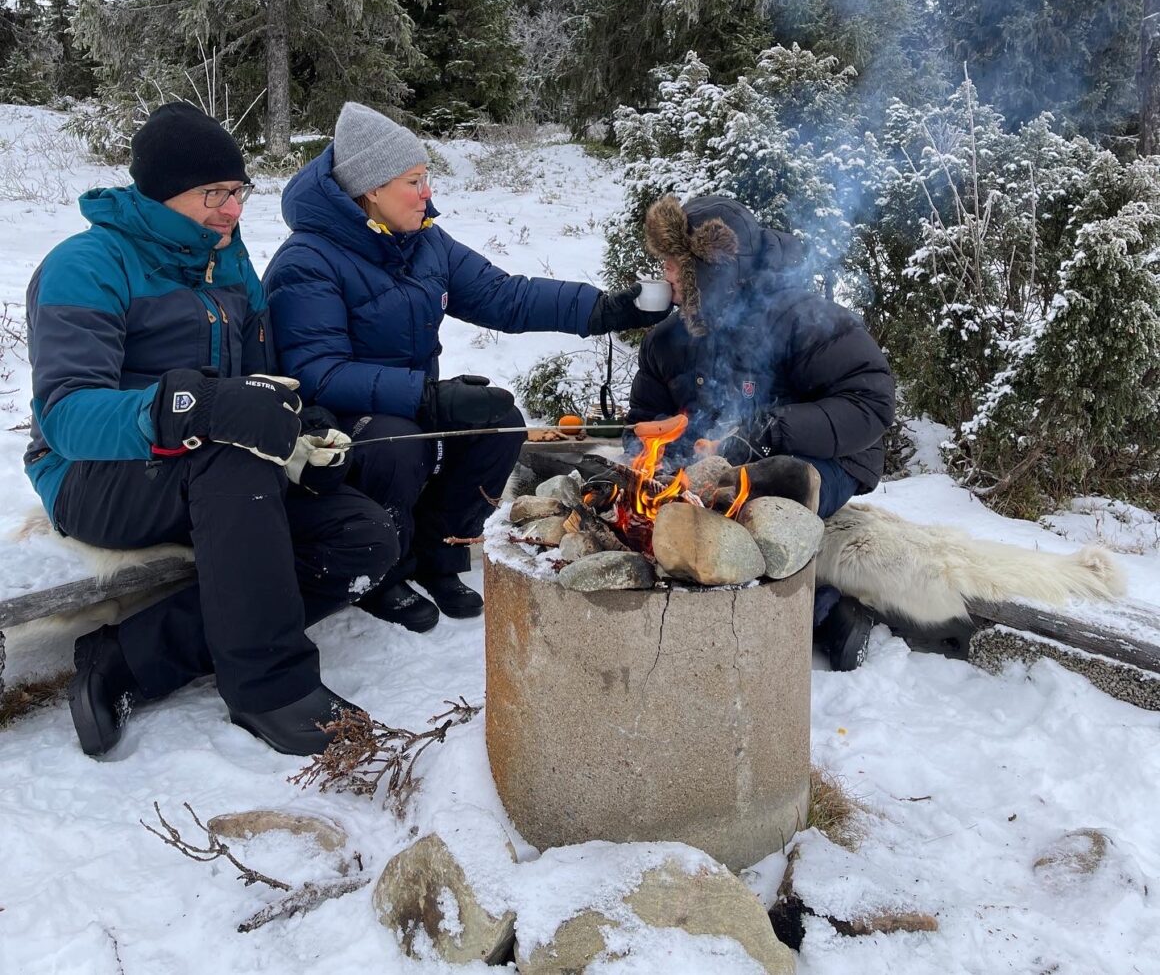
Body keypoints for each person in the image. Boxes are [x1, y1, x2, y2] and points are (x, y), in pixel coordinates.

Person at [24, 102, 399, 758]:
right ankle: (268, 687)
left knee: (361, 540)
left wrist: (304, 428)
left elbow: (262, 380)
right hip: (95, 479)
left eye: (238, 191)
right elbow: (67, 414)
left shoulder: (229, 264)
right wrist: (194, 408)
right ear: (163, 196)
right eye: (213, 195)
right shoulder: (87, 264)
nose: (232, 210)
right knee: (227, 456)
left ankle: (126, 659)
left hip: (216, 475)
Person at [262, 101, 666, 632]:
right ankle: (382, 572)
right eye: (413, 181)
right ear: (370, 189)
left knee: (498, 424)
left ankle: (438, 554)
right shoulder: (308, 260)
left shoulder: (424, 241)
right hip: (334, 423)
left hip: (408, 400)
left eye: (425, 177)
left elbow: (505, 297)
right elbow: (317, 371)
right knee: (397, 445)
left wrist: (606, 309)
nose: (427, 192)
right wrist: (427, 396)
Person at [625, 193, 896, 671]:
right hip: (722, 462)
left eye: (673, 263)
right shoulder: (667, 340)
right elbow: (648, 419)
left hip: (823, 461)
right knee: (650, 503)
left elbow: (869, 401)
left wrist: (768, 431)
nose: (663, 272)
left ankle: (825, 611)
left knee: (744, 505)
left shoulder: (802, 319)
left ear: (711, 271)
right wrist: (658, 455)